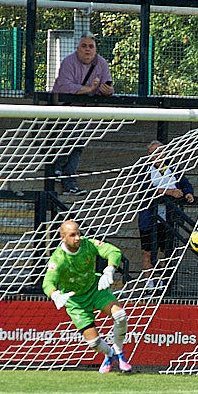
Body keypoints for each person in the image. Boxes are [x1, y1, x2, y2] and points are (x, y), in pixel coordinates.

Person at [43, 220, 131, 373]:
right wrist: (55, 294)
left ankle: (119, 352)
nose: (77, 238)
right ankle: (109, 355)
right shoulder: (58, 259)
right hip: (76, 301)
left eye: (78, 233)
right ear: (62, 237)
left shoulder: (87, 244)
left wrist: (110, 269)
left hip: (95, 288)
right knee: (94, 342)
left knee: (120, 315)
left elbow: (113, 251)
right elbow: (48, 282)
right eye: (72, 235)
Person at [50, 33, 114, 196]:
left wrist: (107, 91)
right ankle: (60, 171)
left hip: (85, 111)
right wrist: (89, 89)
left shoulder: (102, 63)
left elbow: (108, 85)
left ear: (95, 50)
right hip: (64, 109)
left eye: (91, 46)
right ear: (78, 49)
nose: (87, 50)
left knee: (78, 145)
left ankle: (67, 179)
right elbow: (65, 87)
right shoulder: (68, 62)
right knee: (71, 139)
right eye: (84, 46)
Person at [138, 141, 195, 287]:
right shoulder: (143, 170)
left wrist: (188, 193)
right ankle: (148, 285)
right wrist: (168, 192)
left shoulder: (174, 167)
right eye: (153, 153)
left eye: (160, 152)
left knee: (166, 252)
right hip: (149, 216)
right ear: (149, 156)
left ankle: (163, 284)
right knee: (148, 252)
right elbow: (145, 190)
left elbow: (185, 183)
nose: (157, 156)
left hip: (168, 217)